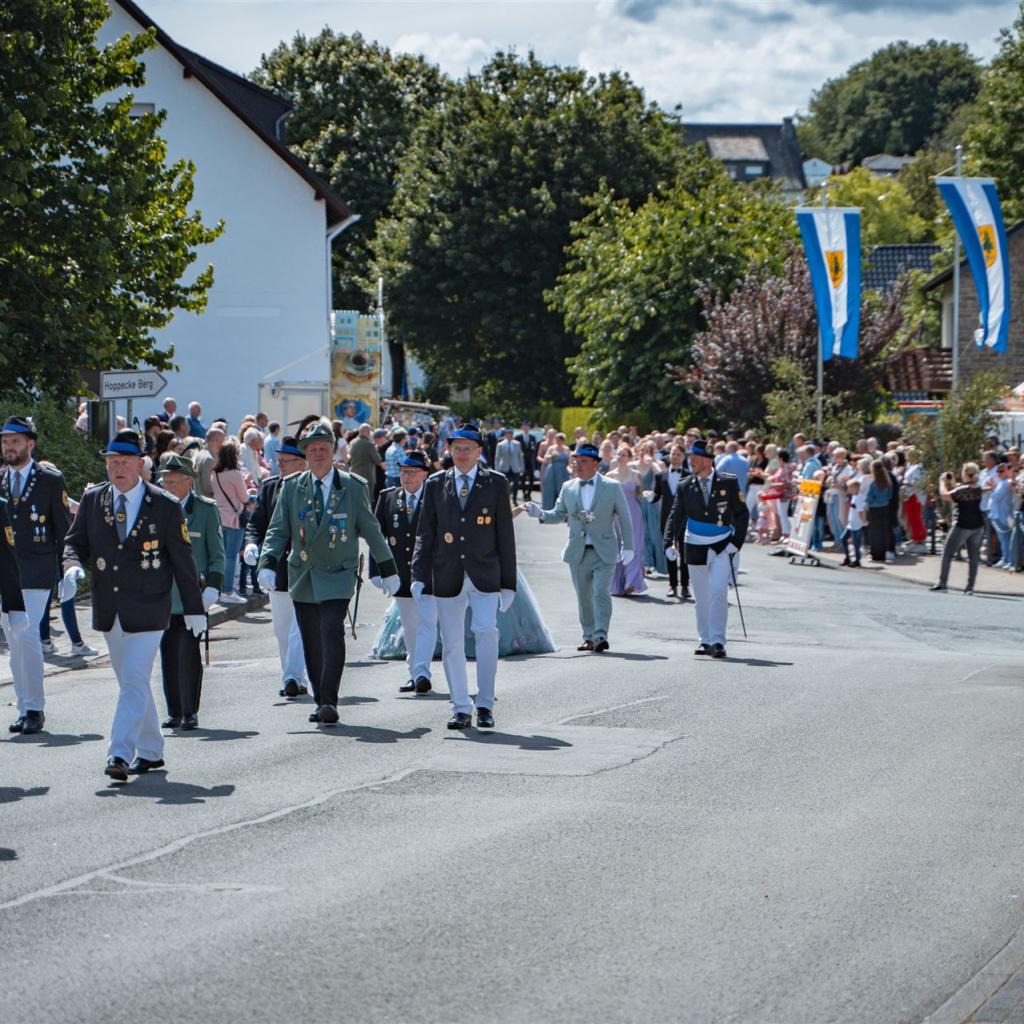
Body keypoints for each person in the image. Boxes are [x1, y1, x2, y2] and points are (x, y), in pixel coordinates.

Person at [62, 430, 205, 780]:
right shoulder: (95, 500)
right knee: (132, 682)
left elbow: (183, 563)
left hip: (149, 609)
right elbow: (73, 543)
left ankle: (120, 754)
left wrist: (195, 609)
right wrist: (72, 566)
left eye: (125, 462)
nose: (117, 468)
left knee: (135, 678)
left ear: (141, 464)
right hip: (110, 608)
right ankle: (153, 750)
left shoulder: (165, 505)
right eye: (112, 462)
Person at [257, 421, 400, 725]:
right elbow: (278, 530)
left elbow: (371, 531)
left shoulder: (352, 486)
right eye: (312, 449)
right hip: (304, 573)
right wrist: (267, 562)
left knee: (331, 630)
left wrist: (388, 569)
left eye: (323, 448)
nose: (318, 454)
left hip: (338, 572)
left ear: (333, 452)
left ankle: (330, 700)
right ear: (305, 454)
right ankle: (320, 698)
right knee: (311, 638)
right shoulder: (293, 486)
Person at [411, 422, 516, 730]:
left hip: (484, 571)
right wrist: (419, 573)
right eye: (456, 448)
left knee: (486, 632)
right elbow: (424, 532)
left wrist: (508, 582)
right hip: (447, 573)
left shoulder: (495, 483)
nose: (461, 455)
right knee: (453, 643)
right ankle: (461, 706)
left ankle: (485, 702)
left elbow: (505, 535)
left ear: (479, 452)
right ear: (449, 450)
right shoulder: (435, 483)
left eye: (468, 449)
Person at [0, 416, 72, 734]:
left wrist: (65, 570)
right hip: (6, 574)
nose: (9, 447)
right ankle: (23, 704)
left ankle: (35, 708)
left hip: (37, 568)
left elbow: (62, 528)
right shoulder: (0, 478)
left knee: (27, 635)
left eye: (15, 441)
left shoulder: (49, 480)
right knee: (14, 641)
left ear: (30, 444)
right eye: (5, 442)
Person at [525, 443, 631, 652]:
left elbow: (625, 518)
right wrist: (540, 514)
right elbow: (557, 514)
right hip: (578, 551)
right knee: (584, 596)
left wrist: (629, 547)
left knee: (601, 592)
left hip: (604, 550)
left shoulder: (612, 486)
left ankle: (601, 635)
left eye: (583, 462)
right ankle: (589, 636)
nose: (578, 465)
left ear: (595, 464)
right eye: (575, 461)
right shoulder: (568, 487)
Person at [664, 438, 749, 659]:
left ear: (707, 460)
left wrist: (735, 543)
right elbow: (676, 515)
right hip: (695, 545)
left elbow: (742, 514)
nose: (690, 461)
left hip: (722, 544)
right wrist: (669, 541)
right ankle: (705, 640)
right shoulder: (685, 485)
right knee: (701, 596)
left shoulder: (728, 482)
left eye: (694, 457)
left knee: (719, 591)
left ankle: (718, 640)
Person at [156, 454, 223, 730]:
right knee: (168, 653)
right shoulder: (156, 508)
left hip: (192, 595)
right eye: (164, 481)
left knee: (188, 653)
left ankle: (189, 710)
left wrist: (214, 589)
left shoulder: (205, 510)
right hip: (161, 595)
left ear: (188, 482)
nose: (167, 487)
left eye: (173, 482)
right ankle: (173, 710)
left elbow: (217, 555)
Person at [244, 436, 310, 698]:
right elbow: (255, 524)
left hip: (306, 569)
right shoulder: (270, 488)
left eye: (287, 461)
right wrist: (252, 545)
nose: (280, 465)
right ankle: (292, 676)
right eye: (279, 460)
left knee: (300, 626)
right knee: (282, 628)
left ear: (302, 464)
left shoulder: (311, 488)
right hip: (277, 569)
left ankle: (293, 677)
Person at [368, 449, 438, 693]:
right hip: (401, 575)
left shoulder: (436, 496)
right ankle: (414, 673)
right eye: (403, 472)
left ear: (424, 475)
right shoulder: (388, 497)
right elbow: (377, 537)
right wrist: (376, 571)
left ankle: (421, 673)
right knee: (410, 626)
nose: (406, 477)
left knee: (427, 622)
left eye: (411, 472)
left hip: (430, 573)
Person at [932, 462, 985, 594]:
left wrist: (942, 482)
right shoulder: (977, 488)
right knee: (973, 557)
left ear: (967, 474)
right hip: (977, 525)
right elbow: (962, 492)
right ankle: (970, 587)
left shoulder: (962, 490)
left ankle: (942, 583)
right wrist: (954, 482)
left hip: (962, 525)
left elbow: (945, 495)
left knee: (947, 553)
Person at [211, 440, 252, 604]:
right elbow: (244, 498)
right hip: (234, 518)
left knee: (221, 556)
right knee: (231, 557)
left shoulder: (214, 473)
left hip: (219, 517)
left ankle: (220, 589)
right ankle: (227, 590)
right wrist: (247, 482)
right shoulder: (235, 473)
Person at [606, 445, 647, 596]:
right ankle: (618, 584)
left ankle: (631, 581)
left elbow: (640, 495)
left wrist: (647, 495)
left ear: (630, 458)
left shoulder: (636, 475)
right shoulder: (609, 475)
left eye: (624, 455)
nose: (621, 457)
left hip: (633, 513)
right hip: (616, 515)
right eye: (619, 454)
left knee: (634, 545)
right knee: (617, 547)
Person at [653, 445, 690, 600]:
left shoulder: (690, 475)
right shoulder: (660, 476)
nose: (675, 456)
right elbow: (657, 495)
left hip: (685, 519)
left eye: (678, 454)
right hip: (666, 519)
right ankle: (672, 585)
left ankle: (685, 587)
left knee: (685, 553)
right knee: (670, 552)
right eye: (673, 454)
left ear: (683, 457)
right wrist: (650, 497)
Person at [864, 458, 893, 564]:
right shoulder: (887, 482)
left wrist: (867, 502)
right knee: (883, 531)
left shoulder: (873, 484)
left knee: (874, 532)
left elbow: (870, 497)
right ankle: (882, 554)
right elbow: (890, 495)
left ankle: (875, 554)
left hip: (874, 508)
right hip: (885, 507)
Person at [494, 427, 525, 502]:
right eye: (508, 434)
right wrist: (497, 469)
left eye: (511, 433)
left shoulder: (517, 444)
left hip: (515, 467)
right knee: (505, 485)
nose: (510, 435)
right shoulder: (500, 444)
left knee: (516, 484)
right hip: (504, 467)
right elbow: (497, 457)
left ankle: (514, 499)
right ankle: (506, 499)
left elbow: (520, 456)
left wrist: (522, 468)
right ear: (505, 435)